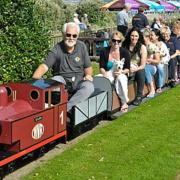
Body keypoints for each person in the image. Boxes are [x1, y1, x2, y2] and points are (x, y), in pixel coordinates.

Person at [33, 22, 94, 112]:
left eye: (74, 36)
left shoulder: (82, 46)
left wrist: (88, 75)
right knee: (55, 80)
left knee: (89, 87)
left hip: (79, 81)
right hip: (62, 81)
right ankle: (52, 109)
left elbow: (88, 67)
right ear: (63, 34)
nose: (71, 38)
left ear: (77, 36)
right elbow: (44, 66)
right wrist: (34, 79)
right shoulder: (57, 49)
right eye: (68, 35)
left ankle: (65, 110)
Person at [99, 31, 131, 113]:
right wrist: (104, 74)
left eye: (118, 41)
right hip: (108, 74)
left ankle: (124, 102)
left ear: (121, 41)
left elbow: (127, 68)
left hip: (121, 73)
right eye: (114, 40)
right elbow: (101, 67)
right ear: (110, 40)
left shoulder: (125, 52)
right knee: (97, 78)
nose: (116, 43)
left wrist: (121, 72)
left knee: (121, 79)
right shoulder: (104, 51)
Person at [122, 27, 147, 106]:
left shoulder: (142, 47)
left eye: (136, 36)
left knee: (140, 72)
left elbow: (143, 65)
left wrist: (135, 69)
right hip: (126, 67)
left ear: (139, 36)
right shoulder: (125, 45)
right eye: (132, 35)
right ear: (129, 36)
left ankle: (139, 96)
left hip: (138, 67)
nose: (134, 38)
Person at [143, 28, 160, 98]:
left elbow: (158, 61)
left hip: (152, 67)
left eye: (142, 37)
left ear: (147, 37)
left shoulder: (153, 47)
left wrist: (149, 60)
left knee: (146, 68)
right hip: (142, 65)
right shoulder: (141, 46)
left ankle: (152, 88)